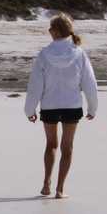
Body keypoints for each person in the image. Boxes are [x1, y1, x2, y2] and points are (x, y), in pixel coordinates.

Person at [24, 13, 98, 198]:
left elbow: (35, 86)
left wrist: (29, 109)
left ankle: (46, 184)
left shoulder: (44, 54)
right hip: (72, 106)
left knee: (51, 145)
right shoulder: (79, 53)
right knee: (67, 147)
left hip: (49, 106)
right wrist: (92, 107)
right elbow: (90, 83)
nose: (48, 30)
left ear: (56, 31)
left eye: (51, 27)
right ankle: (60, 189)